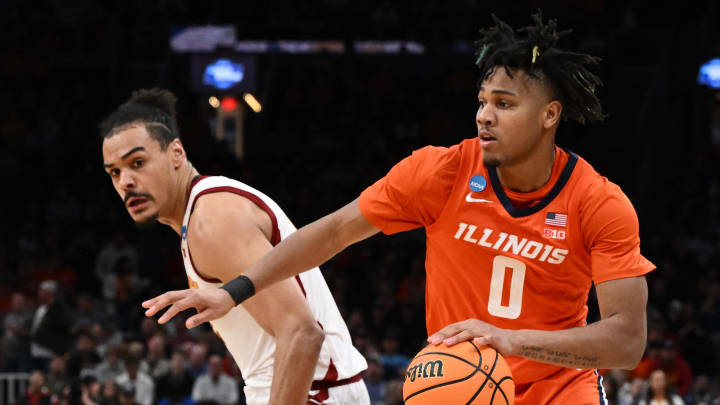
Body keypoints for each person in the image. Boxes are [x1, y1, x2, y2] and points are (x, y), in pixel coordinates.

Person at [143, 11, 657, 405]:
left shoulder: (599, 203)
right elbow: (334, 231)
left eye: (504, 104)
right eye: (482, 101)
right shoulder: (443, 172)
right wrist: (235, 291)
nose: (484, 116)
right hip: (458, 388)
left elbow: (626, 341)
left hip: (559, 393)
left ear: (549, 115)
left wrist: (509, 341)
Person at [99, 88, 369, 405]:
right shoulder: (201, 213)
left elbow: (301, 333)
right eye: (115, 172)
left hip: (313, 394)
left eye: (138, 162)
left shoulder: (212, 221)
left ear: (176, 154)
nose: (125, 182)